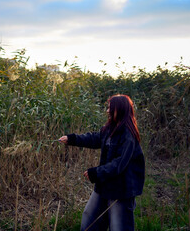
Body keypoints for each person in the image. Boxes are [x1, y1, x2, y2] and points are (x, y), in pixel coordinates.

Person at [59, 94, 145, 231]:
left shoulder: (128, 135)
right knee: (89, 218)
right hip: (105, 184)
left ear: (120, 109)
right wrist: (72, 139)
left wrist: (96, 173)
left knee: (119, 227)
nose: (107, 111)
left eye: (110, 108)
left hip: (121, 190)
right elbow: (94, 138)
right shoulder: (110, 128)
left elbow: (118, 164)